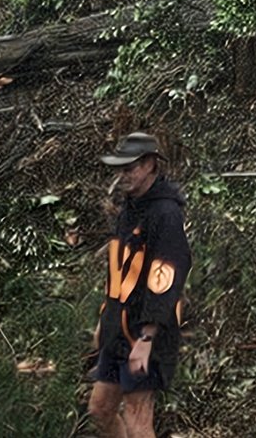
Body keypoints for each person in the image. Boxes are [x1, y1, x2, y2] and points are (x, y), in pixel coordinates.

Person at [87, 132, 190, 434]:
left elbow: (166, 277)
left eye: (129, 168)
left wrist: (146, 338)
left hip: (147, 332)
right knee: (100, 410)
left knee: (137, 417)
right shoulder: (130, 209)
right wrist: (105, 320)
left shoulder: (166, 214)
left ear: (149, 165)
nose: (123, 176)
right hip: (118, 326)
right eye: (120, 169)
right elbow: (120, 270)